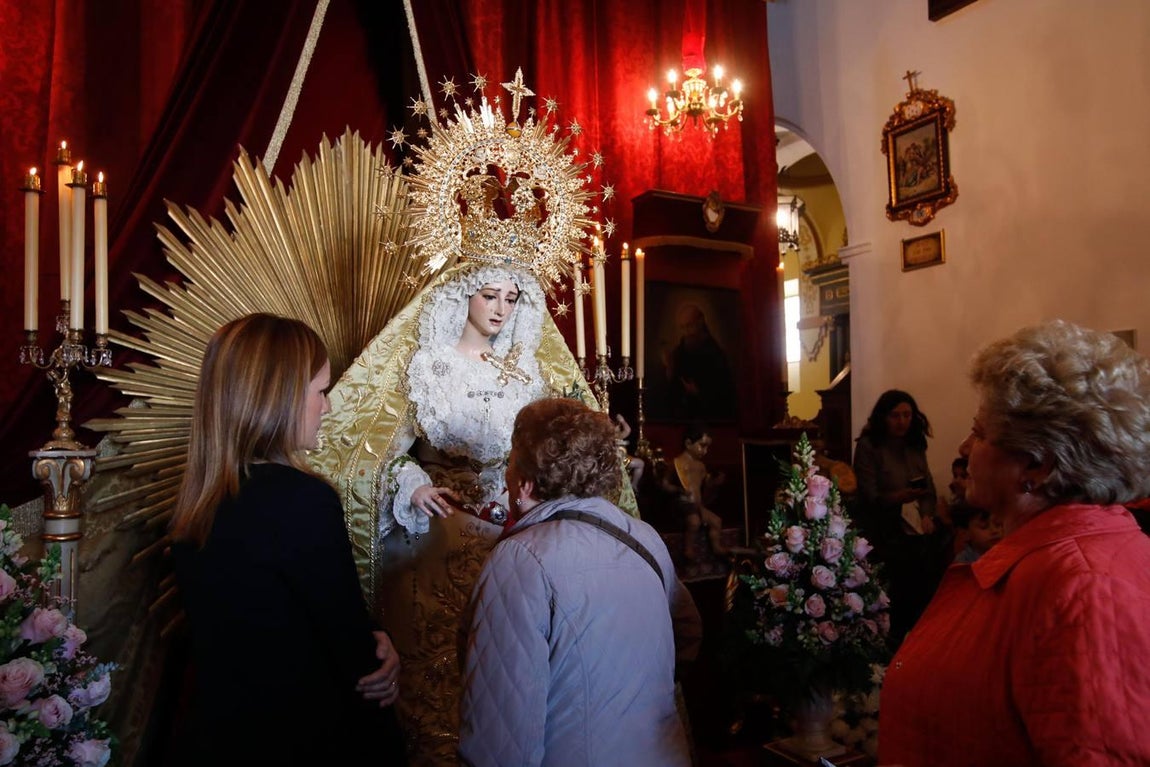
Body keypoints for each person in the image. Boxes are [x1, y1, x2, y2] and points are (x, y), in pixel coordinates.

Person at [309, 70, 635, 764]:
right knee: (447, 692)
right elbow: (363, 446)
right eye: (488, 292)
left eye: (513, 297)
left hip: (527, 539)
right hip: (440, 544)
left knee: (518, 678)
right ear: (461, 292)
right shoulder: (426, 365)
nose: (500, 307)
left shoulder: (533, 370)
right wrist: (407, 481)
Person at [879, 319, 1150, 766]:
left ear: (1037, 467)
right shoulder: (1049, 562)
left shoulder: (1086, 589)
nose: (965, 446)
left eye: (981, 433)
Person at [168, 313, 406, 766]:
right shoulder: (302, 500)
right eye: (321, 391)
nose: (329, 407)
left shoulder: (198, 506)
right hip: (306, 739)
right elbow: (349, 646)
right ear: (277, 398)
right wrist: (381, 648)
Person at [459, 397, 702, 766]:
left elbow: (499, 742)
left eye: (509, 462)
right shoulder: (645, 537)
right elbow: (687, 635)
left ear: (524, 483)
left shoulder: (519, 560)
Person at [852, 389, 948, 645]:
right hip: (883, 529)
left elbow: (927, 488)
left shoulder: (914, 443)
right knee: (895, 591)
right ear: (883, 417)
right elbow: (869, 496)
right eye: (895, 416)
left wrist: (928, 514)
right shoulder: (869, 445)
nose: (902, 422)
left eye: (907, 415)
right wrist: (900, 497)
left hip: (915, 527)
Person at [662, 302, 738, 421]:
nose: (686, 332)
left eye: (689, 326)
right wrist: (669, 369)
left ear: (700, 322)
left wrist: (699, 392)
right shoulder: (678, 352)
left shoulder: (715, 354)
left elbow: (725, 393)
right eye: (683, 327)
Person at [614, 413, 645, 492]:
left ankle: (633, 485)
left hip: (623, 460)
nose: (618, 427)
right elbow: (627, 430)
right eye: (617, 425)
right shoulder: (610, 435)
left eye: (619, 425)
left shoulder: (619, 435)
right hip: (614, 462)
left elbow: (627, 430)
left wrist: (622, 421)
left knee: (640, 463)